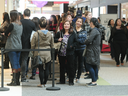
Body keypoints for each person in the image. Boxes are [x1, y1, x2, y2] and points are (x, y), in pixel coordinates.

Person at [1, 10, 23, 86]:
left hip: (12, 45)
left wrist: (5, 33)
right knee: (17, 63)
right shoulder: (20, 24)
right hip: (19, 45)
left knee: (13, 64)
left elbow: (6, 33)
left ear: (12, 16)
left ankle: (14, 80)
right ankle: (17, 80)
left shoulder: (12, 25)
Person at [31, 17, 54, 87]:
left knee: (41, 69)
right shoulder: (50, 34)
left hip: (38, 52)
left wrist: (32, 52)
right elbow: (52, 44)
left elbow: (33, 44)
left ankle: (41, 83)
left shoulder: (36, 34)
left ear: (39, 25)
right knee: (47, 68)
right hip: (47, 53)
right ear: (46, 26)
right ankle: (45, 83)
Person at [55, 20, 77, 85]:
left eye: (67, 24)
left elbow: (76, 42)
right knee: (62, 67)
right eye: (65, 24)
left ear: (70, 25)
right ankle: (62, 80)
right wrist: (58, 39)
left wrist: (72, 46)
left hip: (70, 52)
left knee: (71, 66)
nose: (66, 25)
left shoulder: (73, 33)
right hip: (61, 52)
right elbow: (54, 39)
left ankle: (71, 80)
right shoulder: (60, 33)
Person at [84, 17, 101, 87]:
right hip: (95, 49)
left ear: (91, 23)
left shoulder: (94, 31)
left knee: (89, 65)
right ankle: (94, 80)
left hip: (92, 50)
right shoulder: (97, 30)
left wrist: (85, 41)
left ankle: (94, 81)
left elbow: (89, 40)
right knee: (94, 65)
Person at [20, 9, 36, 82]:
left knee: (19, 60)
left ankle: (17, 76)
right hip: (28, 44)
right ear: (30, 15)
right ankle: (23, 76)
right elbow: (34, 34)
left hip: (19, 43)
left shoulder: (20, 22)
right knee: (24, 60)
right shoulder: (32, 24)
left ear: (23, 14)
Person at [74, 17, 87, 83]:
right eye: (77, 21)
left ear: (82, 23)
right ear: (75, 22)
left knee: (80, 63)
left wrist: (75, 40)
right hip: (73, 49)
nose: (78, 22)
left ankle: (78, 77)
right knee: (73, 63)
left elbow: (83, 41)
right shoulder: (72, 30)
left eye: (80, 22)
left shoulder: (84, 31)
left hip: (81, 49)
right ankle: (72, 76)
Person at [84, 11, 92, 79]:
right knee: (85, 57)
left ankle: (90, 72)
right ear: (86, 16)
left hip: (92, 42)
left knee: (90, 57)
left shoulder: (93, 24)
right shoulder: (84, 24)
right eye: (89, 15)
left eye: (91, 15)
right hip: (86, 42)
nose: (90, 16)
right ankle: (87, 71)